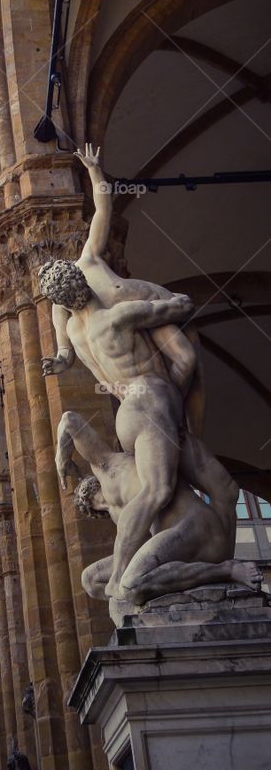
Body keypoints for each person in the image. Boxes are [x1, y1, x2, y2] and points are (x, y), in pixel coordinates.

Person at [41, 144, 223, 599]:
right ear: (80, 280)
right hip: (152, 396)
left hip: (126, 408)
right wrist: (94, 171)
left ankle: (152, 572)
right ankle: (126, 579)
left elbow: (63, 353)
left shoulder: (68, 323)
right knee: (158, 492)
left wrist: (60, 360)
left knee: (167, 495)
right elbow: (103, 212)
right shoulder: (111, 310)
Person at [55, 408, 259, 620]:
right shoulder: (116, 513)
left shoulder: (110, 465)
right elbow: (138, 545)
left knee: (131, 584)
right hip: (173, 542)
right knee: (90, 579)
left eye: (90, 494)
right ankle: (142, 607)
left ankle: (226, 570)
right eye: (91, 503)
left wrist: (61, 456)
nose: (93, 499)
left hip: (194, 525)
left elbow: (69, 420)